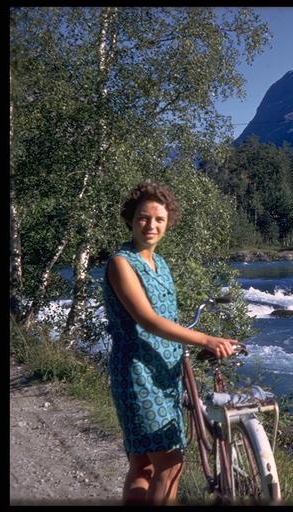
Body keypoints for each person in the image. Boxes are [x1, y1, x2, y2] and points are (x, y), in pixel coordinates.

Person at [102, 180, 238, 505]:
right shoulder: (122, 263)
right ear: (130, 220)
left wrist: (190, 344)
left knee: (143, 464)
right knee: (170, 464)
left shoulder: (160, 263)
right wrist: (205, 338)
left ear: (168, 223)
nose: (151, 225)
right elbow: (147, 319)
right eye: (144, 218)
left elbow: (168, 318)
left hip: (165, 371)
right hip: (138, 374)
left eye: (159, 219)